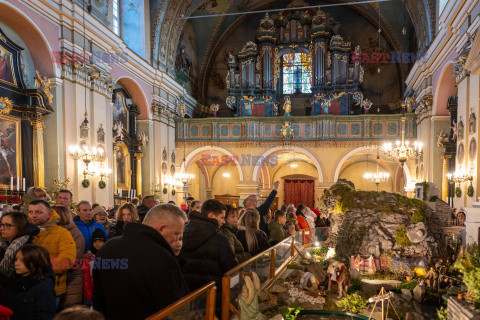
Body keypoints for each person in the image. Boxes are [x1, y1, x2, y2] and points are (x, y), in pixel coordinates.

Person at [93, 204, 188, 320]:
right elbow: (173, 309)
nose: (178, 240)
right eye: (177, 234)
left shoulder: (106, 248)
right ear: (162, 228)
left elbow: (98, 300)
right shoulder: (162, 258)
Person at [179, 199, 237, 314]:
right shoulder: (219, 239)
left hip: (188, 297)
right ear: (211, 216)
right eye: (221, 217)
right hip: (214, 298)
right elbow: (232, 269)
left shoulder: (183, 232)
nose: (224, 222)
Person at [29, 199, 77, 308]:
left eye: (38, 212)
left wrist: (37, 268)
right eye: (31, 212)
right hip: (28, 286)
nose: (33, 216)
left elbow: (67, 261)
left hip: (51, 287)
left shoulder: (62, 233)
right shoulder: (26, 231)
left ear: (49, 214)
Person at [2, 244, 56, 320]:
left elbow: (45, 315)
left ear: (35, 262)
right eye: (16, 259)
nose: (16, 263)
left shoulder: (43, 287)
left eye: (23, 260)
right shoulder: (13, 281)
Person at [53, 206, 85, 308]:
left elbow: (73, 259)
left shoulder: (75, 233)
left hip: (70, 280)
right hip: (56, 280)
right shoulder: (51, 231)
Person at [0, 212, 39, 276]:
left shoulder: (27, 248)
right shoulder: (5, 244)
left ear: (20, 227)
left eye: (8, 225)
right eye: (1, 225)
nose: (1, 228)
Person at [83, 229, 106, 307]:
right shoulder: (88, 258)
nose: (97, 244)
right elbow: (86, 278)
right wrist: (89, 295)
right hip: (92, 295)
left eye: (100, 241)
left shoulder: (108, 256)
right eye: (95, 242)